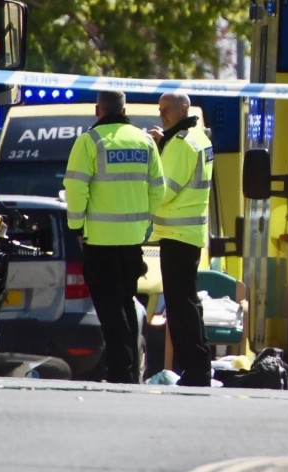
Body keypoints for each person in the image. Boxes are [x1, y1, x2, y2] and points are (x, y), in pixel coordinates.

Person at [64, 91, 164, 383]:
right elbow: (158, 189)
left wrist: (76, 227)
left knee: (110, 310)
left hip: (100, 241)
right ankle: (130, 372)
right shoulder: (145, 140)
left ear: (98, 110)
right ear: (124, 109)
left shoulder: (90, 142)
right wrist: (144, 223)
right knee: (126, 304)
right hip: (132, 240)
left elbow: (75, 188)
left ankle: (120, 372)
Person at [148, 92, 215, 387]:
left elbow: (165, 190)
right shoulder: (199, 138)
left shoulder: (181, 143)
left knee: (180, 306)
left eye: (168, 109)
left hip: (176, 233)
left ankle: (196, 369)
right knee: (187, 303)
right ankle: (199, 366)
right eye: (160, 109)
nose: (162, 114)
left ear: (183, 108)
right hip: (188, 233)